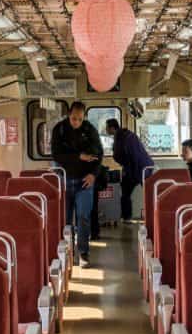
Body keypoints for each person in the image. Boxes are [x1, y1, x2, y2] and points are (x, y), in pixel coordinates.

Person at [51, 101, 103, 266]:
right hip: (64, 180)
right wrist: (78, 157)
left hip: (84, 181)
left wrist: (93, 175)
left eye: (80, 119)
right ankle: (67, 252)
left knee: (83, 217)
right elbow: (57, 155)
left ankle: (83, 252)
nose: (77, 122)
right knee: (66, 220)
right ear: (69, 114)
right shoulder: (59, 129)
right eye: (74, 118)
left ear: (84, 117)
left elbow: (99, 155)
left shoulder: (90, 130)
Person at [107, 117, 153, 222]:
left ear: (112, 128)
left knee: (125, 193)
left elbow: (117, 156)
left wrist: (125, 167)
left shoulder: (119, 137)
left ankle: (127, 217)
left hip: (135, 168)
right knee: (149, 194)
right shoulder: (128, 134)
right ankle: (152, 216)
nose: (106, 130)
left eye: (107, 128)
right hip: (146, 166)